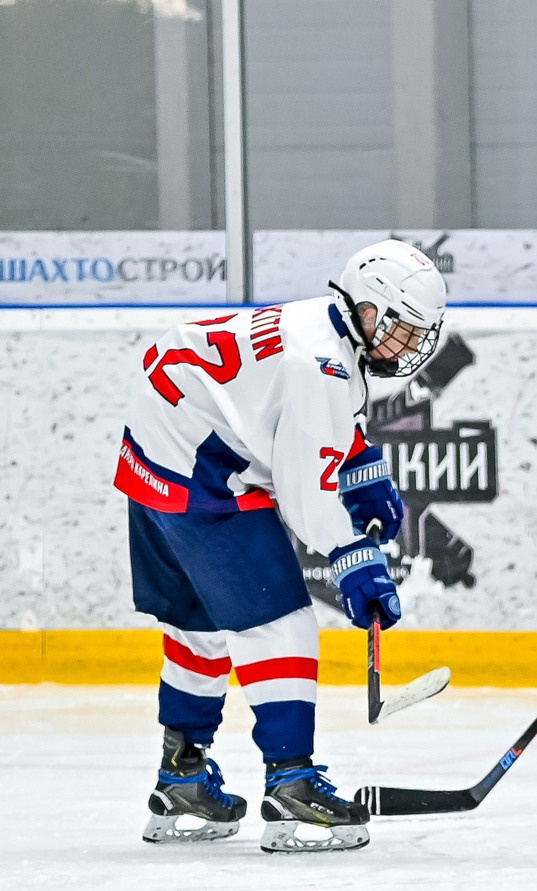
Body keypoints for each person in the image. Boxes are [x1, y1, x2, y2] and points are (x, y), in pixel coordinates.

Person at [120, 239, 445, 853]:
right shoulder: (321, 362)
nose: (409, 347)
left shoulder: (323, 328)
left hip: (152, 453)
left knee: (201, 626)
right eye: (402, 329)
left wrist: (365, 469)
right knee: (283, 623)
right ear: (369, 309)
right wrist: (356, 561)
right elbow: (305, 497)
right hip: (200, 468)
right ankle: (292, 786)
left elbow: (306, 418)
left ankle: (182, 777)